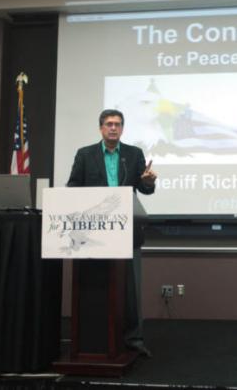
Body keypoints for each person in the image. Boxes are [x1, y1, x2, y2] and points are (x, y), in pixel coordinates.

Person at [67, 108, 157, 357]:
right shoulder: (85, 155)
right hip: (94, 230)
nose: (113, 128)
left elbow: (145, 189)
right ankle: (97, 337)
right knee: (96, 283)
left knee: (131, 288)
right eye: (108, 124)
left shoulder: (133, 154)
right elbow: (73, 185)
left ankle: (134, 340)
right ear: (101, 128)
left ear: (123, 128)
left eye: (117, 124)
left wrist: (148, 181)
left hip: (127, 229)